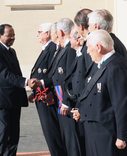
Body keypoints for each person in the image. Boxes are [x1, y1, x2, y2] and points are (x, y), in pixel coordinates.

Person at [73, 30, 127, 156]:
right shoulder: (105, 65)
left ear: (98, 47)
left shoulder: (115, 67)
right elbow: (99, 99)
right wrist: (82, 112)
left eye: (88, 47)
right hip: (98, 132)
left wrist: (122, 136)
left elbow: (121, 104)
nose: (87, 52)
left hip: (108, 133)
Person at [0, 24, 37, 156]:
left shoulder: (11, 51)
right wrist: (26, 82)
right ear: (0, 36)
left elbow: (16, 72)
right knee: (2, 133)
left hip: (13, 99)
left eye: (14, 35)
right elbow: (5, 74)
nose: (13, 38)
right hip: (1, 100)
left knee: (14, 134)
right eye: (9, 35)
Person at [28, 23, 66, 156]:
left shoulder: (52, 49)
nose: (37, 35)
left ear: (48, 33)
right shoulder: (46, 49)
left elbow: (51, 75)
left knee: (52, 133)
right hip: (40, 96)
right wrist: (33, 92)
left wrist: (43, 87)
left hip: (47, 97)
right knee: (49, 133)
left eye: (40, 32)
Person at [48, 18, 81, 156]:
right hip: (62, 101)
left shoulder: (70, 50)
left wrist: (66, 103)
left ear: (60, 32)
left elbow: (70, 79)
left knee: (72, 142)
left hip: (67, 103)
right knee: (67, 140)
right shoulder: (64, 49)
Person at [63, 27, 86, 155]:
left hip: (80, 104)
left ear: (77, 40)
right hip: (76, 104)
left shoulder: (83, 56)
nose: (69, 40)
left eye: (71, 38)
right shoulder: (78, 55)